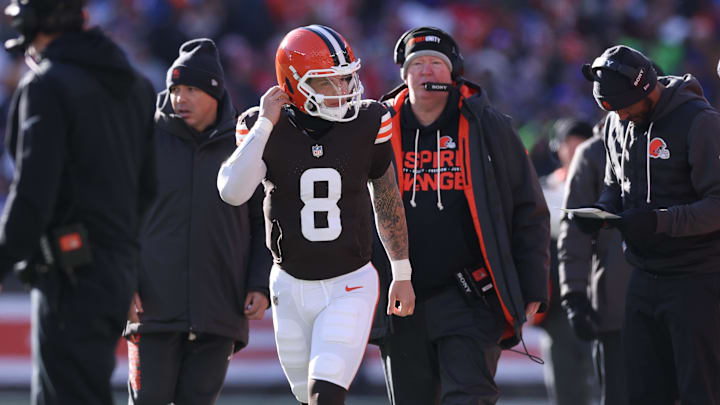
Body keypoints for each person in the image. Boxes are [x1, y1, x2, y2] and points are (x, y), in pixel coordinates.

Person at [217, 25, 416, 405]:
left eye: (345, 78)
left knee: (326, 393)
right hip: (289, 284)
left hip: (350, 282)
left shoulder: (369, 121)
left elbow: (387, 197)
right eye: (328, 82)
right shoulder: (264, 127)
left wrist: (401, 272)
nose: (343, 90)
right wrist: (263, 125)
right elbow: (232, 191)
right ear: (293, 84)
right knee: (305, 395)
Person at [375, 26, 550, 405]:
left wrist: (534, 283)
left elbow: (528, 208)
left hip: (471, 294)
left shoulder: (490, 126)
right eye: (416, 64)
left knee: (470, 398)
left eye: (436, 63)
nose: (426, 71)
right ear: (403, 75)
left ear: (453, 73)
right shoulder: (376, 129)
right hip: (401, 298)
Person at [0, 0, 156, 404]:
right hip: (117, 272)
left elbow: (32, 196)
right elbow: (149, 188)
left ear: (34, 20)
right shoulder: (136, 87)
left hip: (68, 276)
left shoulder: (47, 85)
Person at [123, 38, 272, 405]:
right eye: (175, 89)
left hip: (219, 311)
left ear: (216, 93)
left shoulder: (244, 145)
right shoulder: (143, 140)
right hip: (152, 311)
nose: (180, 98)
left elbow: (264, 221)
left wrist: (258, 283)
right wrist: (123, 281)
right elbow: (117, 218)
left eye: (191, 89)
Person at [578, 44, 720, 405]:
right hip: (641, 276)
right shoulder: (615, 122)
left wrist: (659, 222)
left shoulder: (700, 122)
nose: (621, 117)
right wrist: (602, 212)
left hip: (696, 280)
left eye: (625, 107)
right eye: (611, 110)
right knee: (641, 392)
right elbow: (614, 185)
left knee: (699, 391)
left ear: (645, 88)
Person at [558, 116, 632, 405]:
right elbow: (575, 230)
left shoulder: (684, 138)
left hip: (679, 306)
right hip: (616, 307)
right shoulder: (593, 153)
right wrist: (574, 295)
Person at [536, 119, 596, 405]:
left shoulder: (605, 185)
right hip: (556, 303)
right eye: (567, 143)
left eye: (579, 142)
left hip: (597, 296)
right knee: (563, 384)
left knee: (602, 378)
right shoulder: (542, 188)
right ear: (556, 148)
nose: (573, 150)